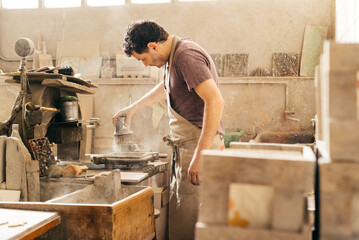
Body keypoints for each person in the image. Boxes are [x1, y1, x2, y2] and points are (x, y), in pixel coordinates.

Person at [113, 20, 225, 240]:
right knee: (183, 217)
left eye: (143, 59)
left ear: (154, 46)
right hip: (187, 148)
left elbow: (216, 101)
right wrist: (134, 107)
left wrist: (200, 155)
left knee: (194, 221)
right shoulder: (173, 58)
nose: (145, 64)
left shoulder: (186, 56)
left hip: (198, 146)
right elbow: (166, 87)